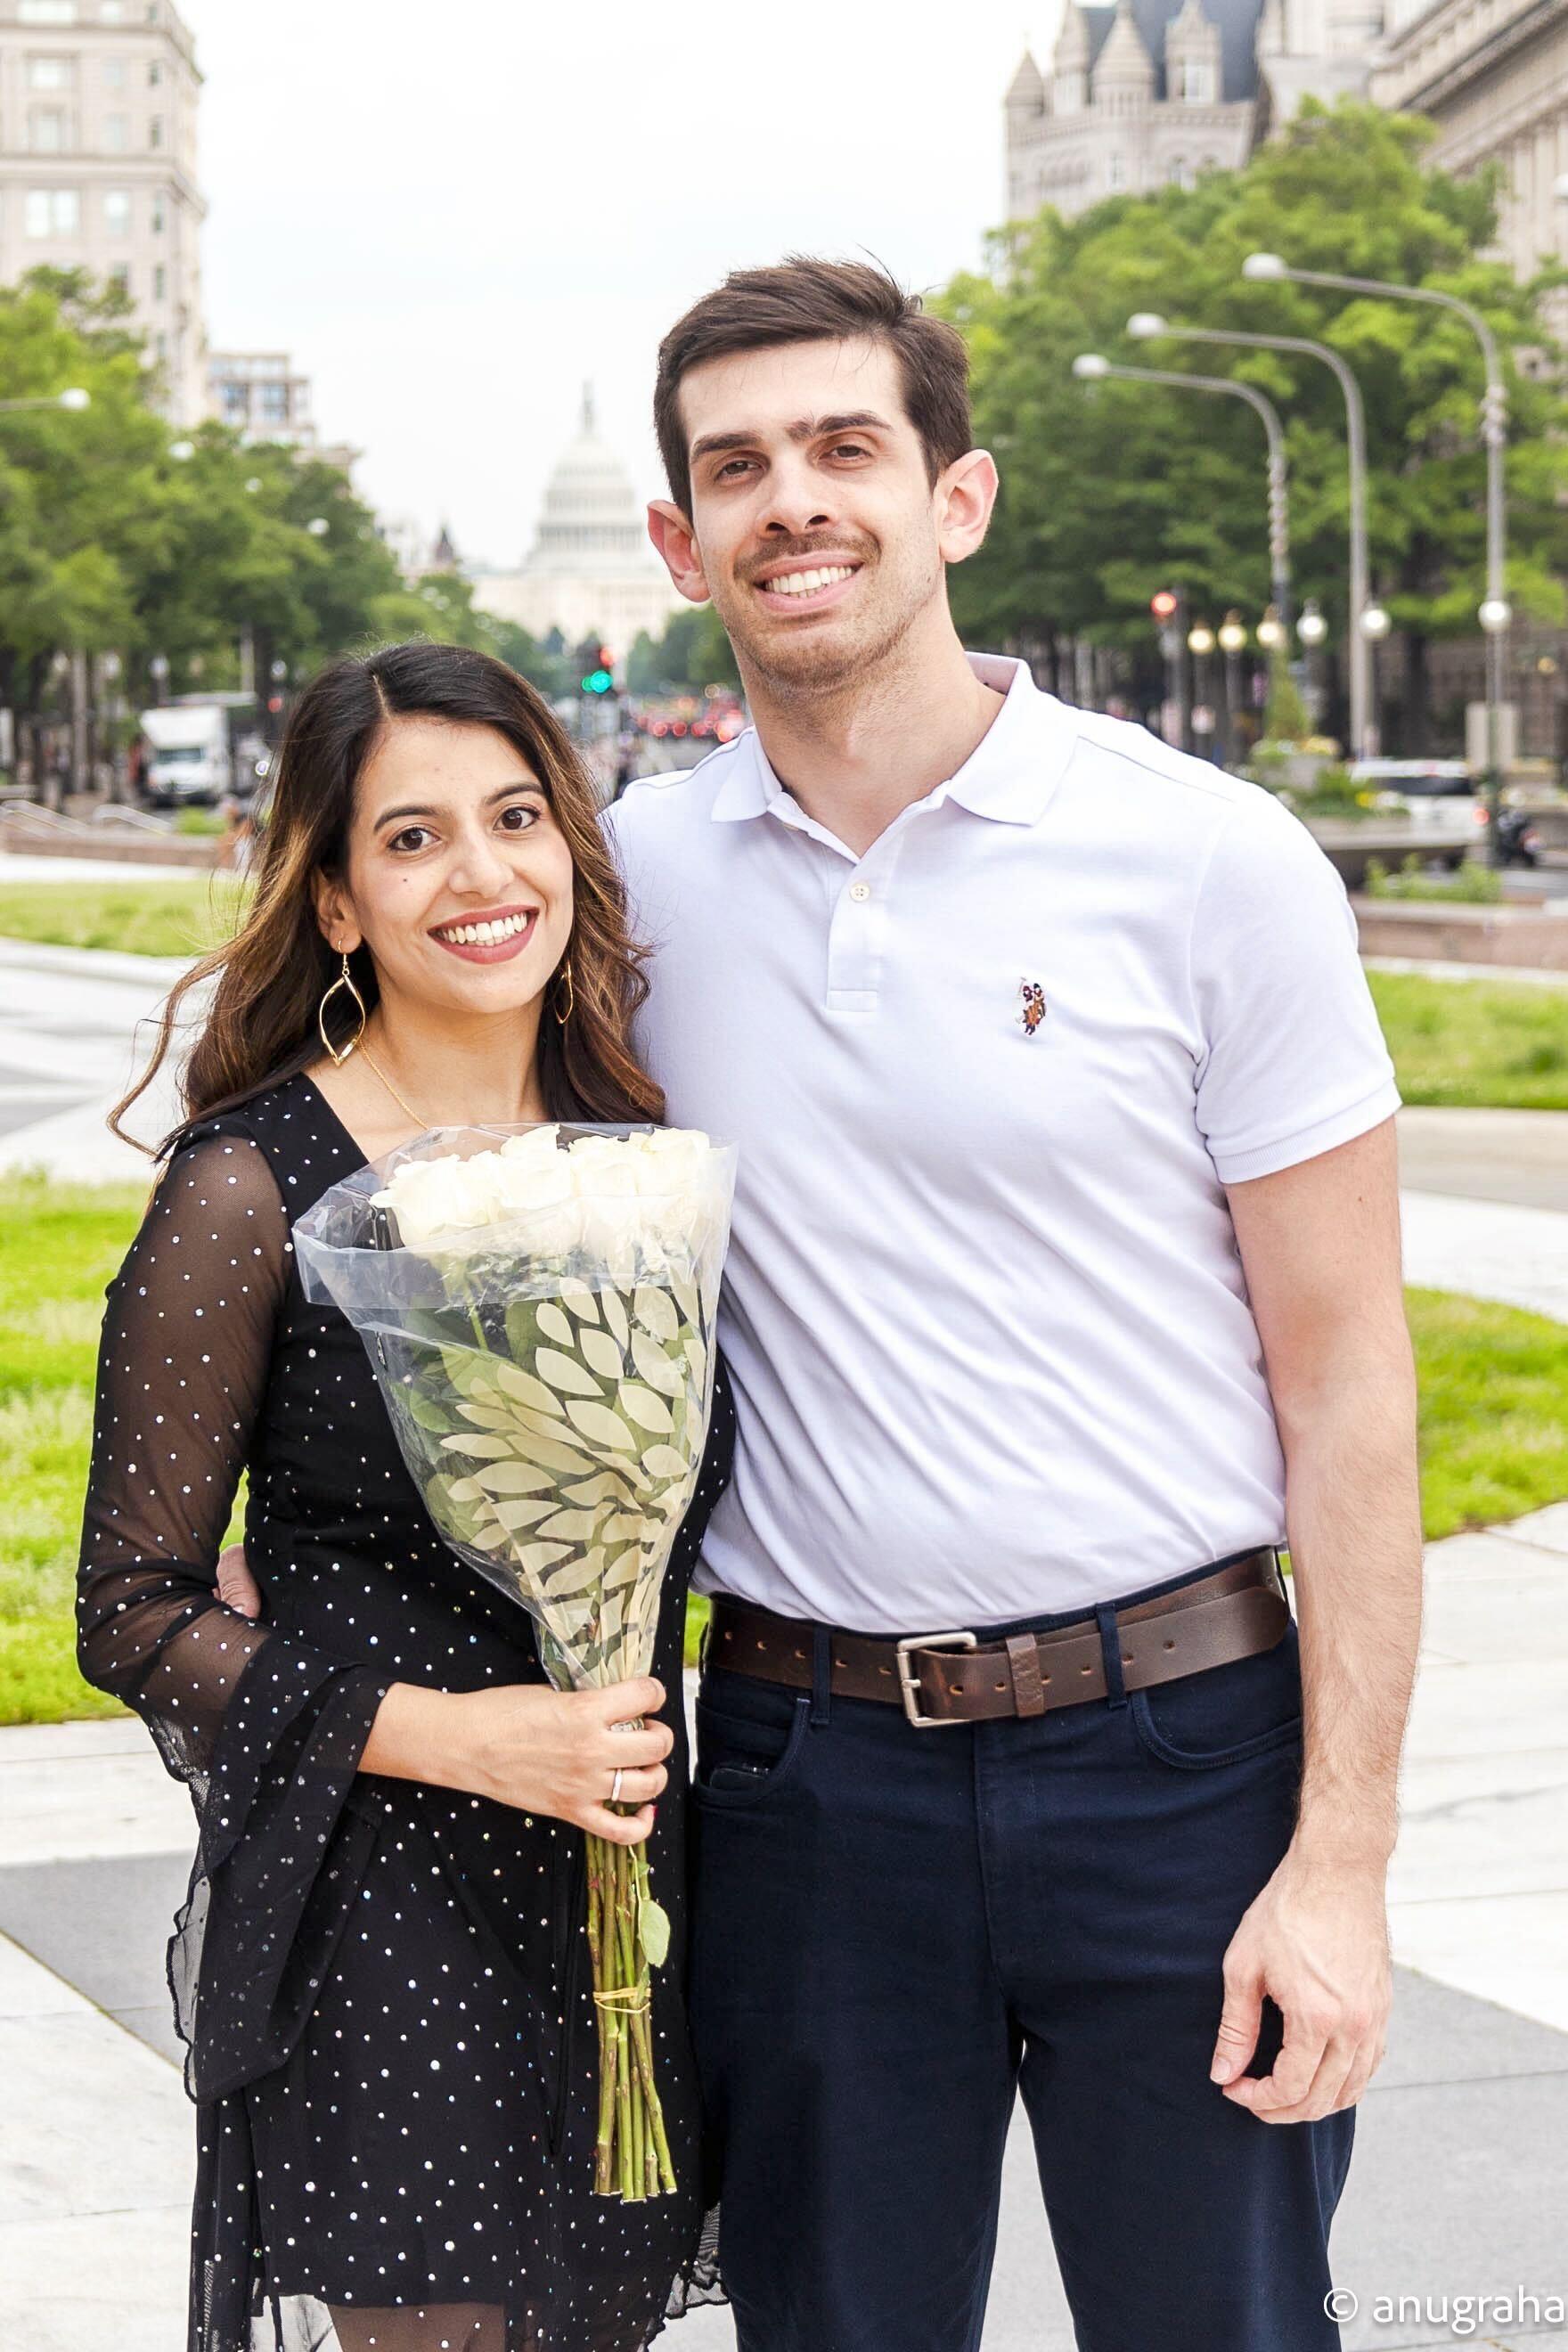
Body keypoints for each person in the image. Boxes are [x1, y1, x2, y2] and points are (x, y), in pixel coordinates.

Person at [599, 258, 1421, 2350]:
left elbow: (1347, 1393)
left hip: (1184, 1760)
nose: (798, 500)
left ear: (953, 498)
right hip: (802, 1779)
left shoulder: (1206, 861)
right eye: (740, 466)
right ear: (681, 546)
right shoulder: (629, 893)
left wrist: (1338, 1864)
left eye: (845, 447)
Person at [77, 641, 732, 2352]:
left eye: (515, 817)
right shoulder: (250, 1190)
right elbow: (130, 1613)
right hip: (386, 1898)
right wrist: (463, 1735)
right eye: (414, 837)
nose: (482, 874)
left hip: (625, 1889)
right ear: (343, 903)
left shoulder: (640, 1156)